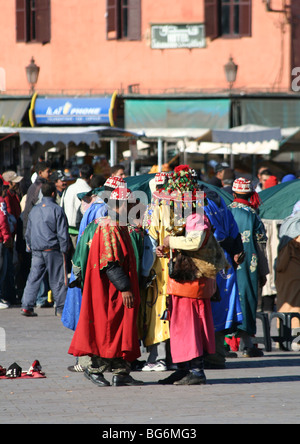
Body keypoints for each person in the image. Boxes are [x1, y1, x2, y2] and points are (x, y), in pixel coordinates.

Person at [155, 165, 227, 385]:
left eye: (175, 198)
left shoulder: (196, 216)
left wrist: (169, 242)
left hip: (192, 284)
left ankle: (196, 370)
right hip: (185, 284)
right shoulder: (188, 216)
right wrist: (167, 247)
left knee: (189, 327)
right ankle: (184, 368)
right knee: (181, 326)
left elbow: (194, 242)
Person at [68, 187, 143, 387]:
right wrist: (125, 288)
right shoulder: (109, 227)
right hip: (112, 290)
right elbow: (109, 262)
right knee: (110, 329)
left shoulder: (118, 224)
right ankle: (95, 369)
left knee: (123, 328)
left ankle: (122, 372)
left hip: (117, 288)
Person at [228, 177, 269, 357]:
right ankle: (246, 344)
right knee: (246, 299)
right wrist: (263, 271)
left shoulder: (225, 211)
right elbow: (261, 245)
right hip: (248, 264)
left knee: (227, 299)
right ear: (252, 194)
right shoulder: (253, 214)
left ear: (234, 193)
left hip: (226, 264)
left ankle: (223, 346)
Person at [21, 182, 69, 317]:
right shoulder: (57, 209)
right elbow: (62, 233)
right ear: (53, 193)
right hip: (52, 249)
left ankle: (26, 306)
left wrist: (29, 246)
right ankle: (61, 308)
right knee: (58, 278)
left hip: (37, 249)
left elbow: (28, 232)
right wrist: (65, 249)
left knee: (33, 278)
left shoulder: (34, 210)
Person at [141, 172, 173, 372]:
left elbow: (150, 245)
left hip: (158, 271)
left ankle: (158, 358)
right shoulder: (180, 208)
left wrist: (143, 272)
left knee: (157, 313)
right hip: (176, 269)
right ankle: (173, 357)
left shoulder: (152, 211)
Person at [275, 200, 300, 332]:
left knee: (284, 301)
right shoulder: (297, 225)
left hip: (282, 268)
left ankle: (282, 334)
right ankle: (296, 335)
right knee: (295, 303)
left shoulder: (288, 222)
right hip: (295, 269)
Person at [60, 163, 94, 250]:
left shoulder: (69, 188)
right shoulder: (89, 192)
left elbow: (61, 207)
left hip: (66, 230)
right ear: (91, 176)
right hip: (80, 231)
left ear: (80, 173)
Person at [2, 171, 23, 305]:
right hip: (8, 236)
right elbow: (6, 218)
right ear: (8, 183)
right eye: (15, 181)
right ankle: (7, 295)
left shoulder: (14, 195)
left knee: (11, 267)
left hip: (13, 234)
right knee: (7, 267)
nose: (18, 183)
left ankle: (11, 294)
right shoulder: (6, 198)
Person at [0, 178, 13, 309]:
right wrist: (7, 237)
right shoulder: (1, 202)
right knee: (1, 269)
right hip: (0, 239)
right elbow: (3, 219)